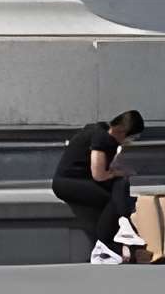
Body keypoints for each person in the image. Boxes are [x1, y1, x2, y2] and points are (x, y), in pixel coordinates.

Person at [52, 109, 147, 263]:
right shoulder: (101, 138)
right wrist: (118, 172)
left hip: (77, 180)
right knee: (112, 200)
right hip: (67, 183)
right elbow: (99, 174)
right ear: (122, 132)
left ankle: (123, 225)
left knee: (119, 186)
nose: (130, 141)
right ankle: (105, 244)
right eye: (132, 137)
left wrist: (118, 173)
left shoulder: (101, 132)